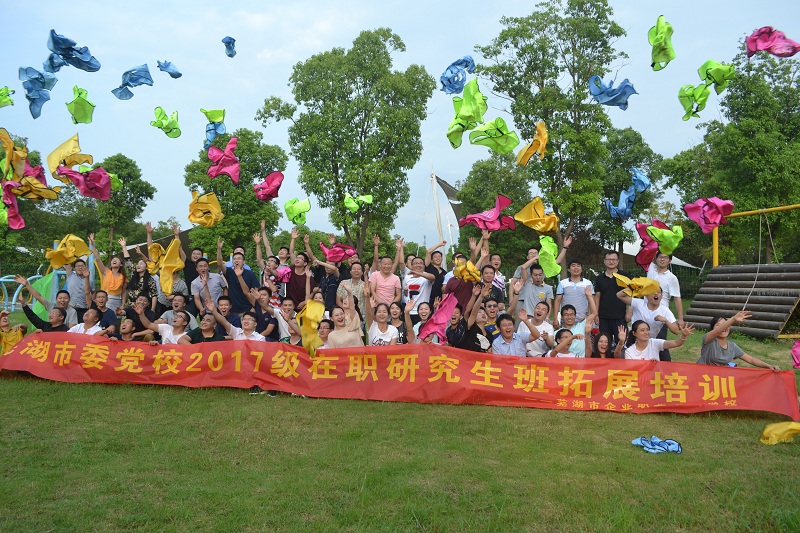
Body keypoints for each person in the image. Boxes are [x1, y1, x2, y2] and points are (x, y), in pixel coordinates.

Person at [698, 311, 780, 370]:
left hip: (719, 380)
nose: (723, 328)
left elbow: (750, 359)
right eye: (718, 325)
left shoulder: (732, 346)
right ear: (712, 329)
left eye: (725, 324)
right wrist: (733, 319)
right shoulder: (708, 339)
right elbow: (718, 330)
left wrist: (768, 366)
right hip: (703, 377)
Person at [616, 287, 681, 362]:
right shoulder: (638, 303)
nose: (656, 294)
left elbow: (676, 331)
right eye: (653, 292)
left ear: (662, 296)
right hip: (632, 343)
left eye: (658, 292)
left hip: (649, 345)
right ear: (646, 295)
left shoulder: (665, 311)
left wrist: (665, 320)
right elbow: (619, 295)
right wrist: (634, 287)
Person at [593, 250, 630, 344]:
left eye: (614, 259)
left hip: (620, 316)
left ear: (618, 261)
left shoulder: (625, 276)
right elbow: (597, 296)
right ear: (604, 261)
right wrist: (596, 314)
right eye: (608, 259)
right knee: (605, 344)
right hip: (604, 317)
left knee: (621, 343)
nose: (611, 262)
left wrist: (629, 311)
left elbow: (631, 295)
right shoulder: (599, 278)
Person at [217, 238, 260, 314]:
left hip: (247, 310)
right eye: (234, 259)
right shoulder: (229, 272)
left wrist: (253, 307)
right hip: (233, 310)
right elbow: (220, 264)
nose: (236, 260)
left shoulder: (250, 274)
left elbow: (255, 292)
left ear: (244, 262)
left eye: (239, 259)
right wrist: (219, 249)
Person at [88, 233, 127, 311]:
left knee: (115, 318)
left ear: (121, 264)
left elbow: (124, 291)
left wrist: (123, 304)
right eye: (113, 259)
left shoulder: (123, 276)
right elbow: (98, 259)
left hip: (117, 301)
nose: (114, 260)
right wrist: (92, 245)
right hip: (104, 300)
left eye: (117, 260)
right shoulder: (106, 272)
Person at [553, 259, 596, 327]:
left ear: (581, 269)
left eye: (578, 266)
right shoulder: (563, 283)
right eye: (573, 266)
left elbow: (592, 302)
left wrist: (589, 317)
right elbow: (557, 301)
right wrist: (555, 318)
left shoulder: (588, 283)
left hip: (583, 321)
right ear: (569, 269)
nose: (576, 268)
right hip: (566, 321)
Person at [623, 320, 694, 361]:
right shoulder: (629, 351)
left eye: (647, 330)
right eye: (642, 330)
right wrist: (648, 365)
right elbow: (632, 369)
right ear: (634, 333)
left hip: (655, 378)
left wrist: (683, 335)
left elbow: (676, 343)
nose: (646, 332)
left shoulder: (654, 343)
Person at [122, 240, 158, 311]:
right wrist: (124, 246)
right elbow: (128, 260)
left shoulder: (150, 280)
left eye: (141, 264)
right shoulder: (133, 274)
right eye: (137, 264)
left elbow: (154, 295)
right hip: (131, 307)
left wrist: (152, 309)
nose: (138, 265)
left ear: (146, 267)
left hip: (143, 308)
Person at [286, 229, 316, 307]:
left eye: (300, 258)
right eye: (297, 257)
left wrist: (304, 302)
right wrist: (293, 239)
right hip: (289, 305)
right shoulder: (290, 270)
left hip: (302, 306)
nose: (297, 259)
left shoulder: (308, 275)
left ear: (305, 263)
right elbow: (291, 252)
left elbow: (311, 292)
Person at [403, 256, 434, 324]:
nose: (418, 265)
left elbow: (433, 277)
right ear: (412, 265)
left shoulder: (426, 277)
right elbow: (406, 291)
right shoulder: (407, 277)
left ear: (424, 265)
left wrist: (419, 273)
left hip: (423, 312)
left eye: (420, 263)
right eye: (416, 263)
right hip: (410, 311)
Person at [63, 258, 94, 322]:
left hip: (83, 308)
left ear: (85, 267)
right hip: (71, 307)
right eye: (77, 266)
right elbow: (67, 261)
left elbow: (93, 292)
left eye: (82, 266)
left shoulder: (90, 280)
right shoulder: (70, 275)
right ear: (74, 268)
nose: (80, 267)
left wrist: (91, 301)